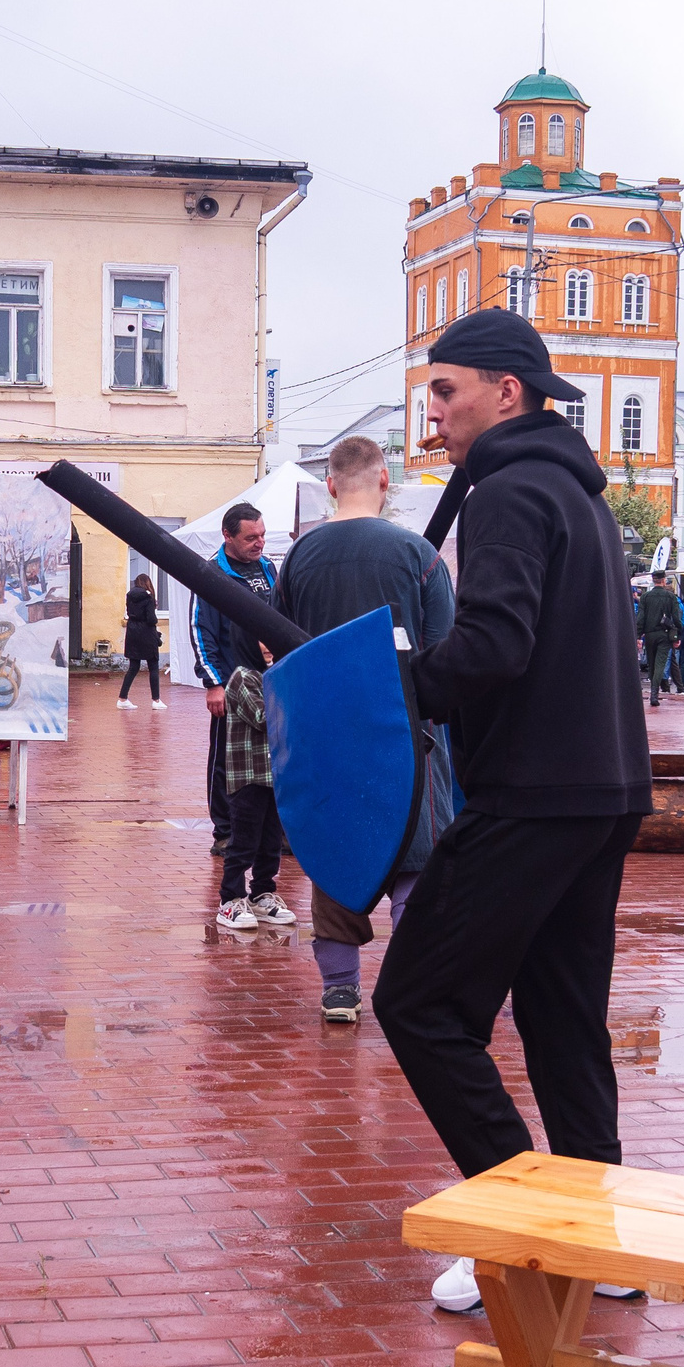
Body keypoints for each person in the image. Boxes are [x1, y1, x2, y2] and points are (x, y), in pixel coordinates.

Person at [367, 309, 650, 1314]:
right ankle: (595, 1240)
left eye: (446, 390)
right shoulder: (571, 493)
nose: (433, 410)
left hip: (533, 793)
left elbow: (493, 645)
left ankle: (523, 1224)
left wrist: (402, 689)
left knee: (417, 1004)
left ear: (507, 394)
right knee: (562, 1019)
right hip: (603, 787)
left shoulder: (506, 491)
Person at [274, 434, 457, 1022]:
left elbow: (274, 646)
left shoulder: (299, 557)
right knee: (416, 860)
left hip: (327, 736)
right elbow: (445, 649)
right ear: (385, 481)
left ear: (329, 484)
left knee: (338, 855)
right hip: (408, 733)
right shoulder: (418, 554)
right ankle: (412, 988)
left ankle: (339, 990)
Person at [191, 501, 280, 857]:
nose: (259, 543)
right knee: (226, 762)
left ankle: (274, 830)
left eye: (262, 535)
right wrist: (213, 683)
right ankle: (225, 831)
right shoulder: (212, 576)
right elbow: (201, 632)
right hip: (231, 686)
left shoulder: (269, 568)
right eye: (250, 538)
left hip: (271, 684)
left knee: (276, 756)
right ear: (227, 536)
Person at [211, 657, 292, 932]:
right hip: (248, 775)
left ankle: (261, 894)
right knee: (244, 842)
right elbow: (262, 717)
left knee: (271, 843)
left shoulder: (278, 674)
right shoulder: (243, 677)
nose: (267, 646)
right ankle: (230, 899)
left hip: (275, 775)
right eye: (260, 640)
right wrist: (298, 701)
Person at [636, 572, 681, 707]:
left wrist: (638, 636)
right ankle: (654, 694)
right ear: (664, 580)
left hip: (649, 634)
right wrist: (678, 635)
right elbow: (676, 618)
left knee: (651, 662)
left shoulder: (645, 597)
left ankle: (653, 690)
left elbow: (640, 618)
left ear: (653, 580)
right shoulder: (670, 596)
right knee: (660, 664)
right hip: (665, 634)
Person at [118, 574, 163, 709]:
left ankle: (122, 698)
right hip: (147, 635)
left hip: (132, 633)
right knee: (153, 667)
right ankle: (156, 701)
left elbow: (130, 613)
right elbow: (151, 619)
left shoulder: (129, 596)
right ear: (147, 583)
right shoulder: (149, 598)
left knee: (133, 667)